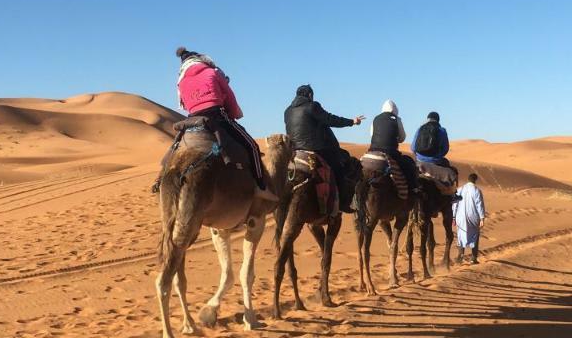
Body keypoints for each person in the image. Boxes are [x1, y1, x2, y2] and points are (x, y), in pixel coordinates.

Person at [173, 46, 273, 199]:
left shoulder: (181, 82)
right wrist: (235, 114)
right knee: (252, 146)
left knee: (175, 151)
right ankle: (261, 186)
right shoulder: (212, 72)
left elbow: (185, 105)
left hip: (192, 119)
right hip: (216, 115)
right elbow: (230, 97)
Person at [284, 85, 363, 213]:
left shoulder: (287, 111)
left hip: (295, 151)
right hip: (317, 149)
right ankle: (343, 202)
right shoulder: (312, 106)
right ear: (310, 95)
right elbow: (330, 119)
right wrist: (352, 122)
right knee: (339, 167)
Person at [369, 100, 419, 194]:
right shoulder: (397, 119)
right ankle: (413, 190)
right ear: (395, 110)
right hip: (390, 153)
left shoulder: (375, 119)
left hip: (372, 152)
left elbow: (371, 134)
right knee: (408, 164)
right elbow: (402, 138)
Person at [454, 173, 486, 263]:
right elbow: (480, 205)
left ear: (468, 179)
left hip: (460, 216)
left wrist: (453, 217)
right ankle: (473, 258)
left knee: (461, 235)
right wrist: (482, 218)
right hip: (473, 216)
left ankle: (460, 256)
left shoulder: (460, 189)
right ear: (475, 180)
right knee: (474, 236)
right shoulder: (477, 190)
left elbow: (455, 204)